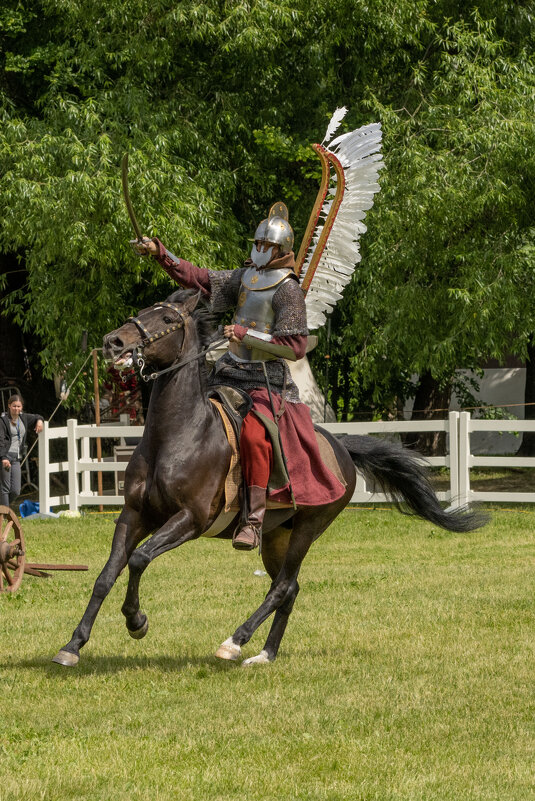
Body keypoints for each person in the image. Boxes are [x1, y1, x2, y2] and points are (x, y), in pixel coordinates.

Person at [134, 202, 346, 550]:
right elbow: (200, 278)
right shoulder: (244, 277)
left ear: (280, 250)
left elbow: (294, 346)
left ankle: (252, 520)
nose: (259, 250)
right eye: (257, 244)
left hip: (266, 380)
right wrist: (161, 253)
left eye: (266, 246)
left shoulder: (288, 289)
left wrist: (247, 336)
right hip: (228, 372)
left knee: (252, 435)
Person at [0, 394, 44, 510]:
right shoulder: (3, 420)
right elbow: (1, 440)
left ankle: (3, 509)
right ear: (9, 406)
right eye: (14, 406)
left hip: (16, 458)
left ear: (22, 407)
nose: (16, 409)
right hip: (5, 456)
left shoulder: (23, 418)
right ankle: (3, 515)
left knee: (16, 490)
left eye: (19, 406)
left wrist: (39, 421)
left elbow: (37, 416)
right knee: (5, 488)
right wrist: (3, 457)